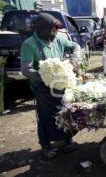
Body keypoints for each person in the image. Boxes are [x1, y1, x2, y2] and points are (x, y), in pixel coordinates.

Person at [20, 13, 81, 159]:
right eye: (52, 30)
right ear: (43, 29)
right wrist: (47, 77)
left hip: (60, 86)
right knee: (45, 117)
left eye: (56, 30)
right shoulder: (29, 44)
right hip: (42, 89)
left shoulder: (57, 40)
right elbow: (26, 69)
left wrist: (74, 57)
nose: (55, 33)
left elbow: (76, 46)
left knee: (64, 112)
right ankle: (46, 146)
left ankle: (67, 140)